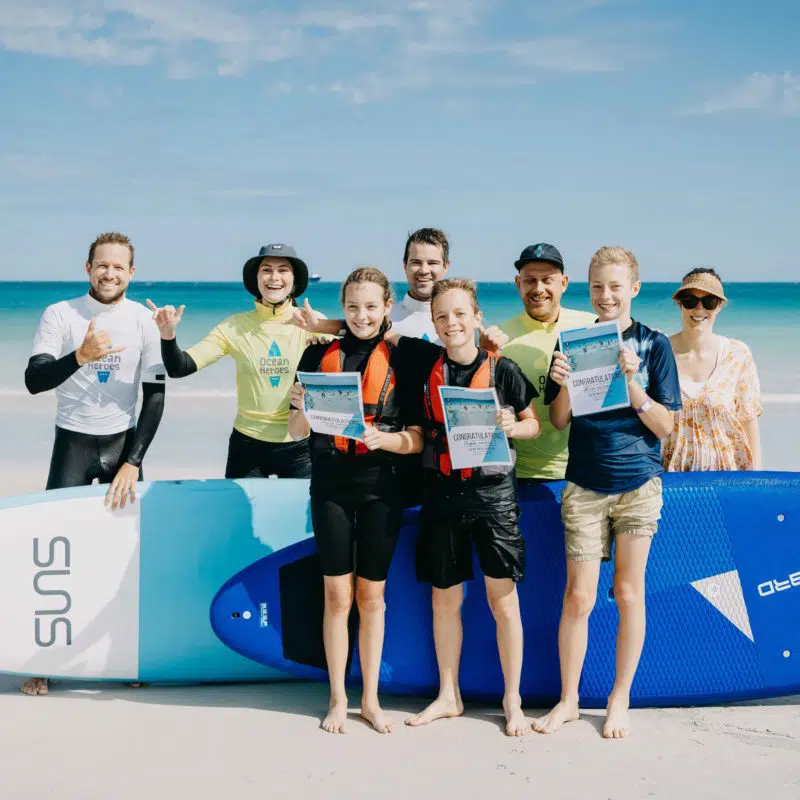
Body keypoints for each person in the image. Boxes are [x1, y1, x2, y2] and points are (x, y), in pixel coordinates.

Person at [536, 246, 681, 739]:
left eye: (616, 286)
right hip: (584, 483)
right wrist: (559, 383)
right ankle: (569, 700)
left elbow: (665, 426)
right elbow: (558, 421)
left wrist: (632, 383)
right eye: (598, 286)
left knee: (627, 592)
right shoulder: (573, 340)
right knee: (578, 598)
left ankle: (620, 699)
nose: (607, 294)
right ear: (588, 288)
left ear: (634, 289)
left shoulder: (655, 344)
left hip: (639, 483)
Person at [388, 279, 541, 737]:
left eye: (460, 314)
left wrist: (513, 427)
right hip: (441, 496)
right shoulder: (422, 364)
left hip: (493, 496)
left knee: (503, 601)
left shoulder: (504, 369)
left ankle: (512, 699)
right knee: (444, 599)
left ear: (477, 318)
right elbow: (379, 329)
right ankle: (448, 694)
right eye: (441, 316)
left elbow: (534, 425)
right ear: (432, 323)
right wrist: (320, 325)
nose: (451, 323)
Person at [23, 231, 166, 696]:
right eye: (102, 265)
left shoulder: (144, 320)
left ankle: (127, 655)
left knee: (126, 557)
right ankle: (44, 661)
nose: (110, 273)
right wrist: (79, 356)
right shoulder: (60, 315)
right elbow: (34, 380)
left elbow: (156, 393)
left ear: (132, 272)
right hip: (74, 444)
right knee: (58, 555)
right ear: (88, 268)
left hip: (122, 445)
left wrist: (133, 461)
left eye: (119, 266)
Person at [288, 267, 423, 735]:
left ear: (388, 307)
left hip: (381, 487)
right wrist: (300, 404)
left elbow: (419, 439)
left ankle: (370, 699)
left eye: (371, 307)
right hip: (329, 486)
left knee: (372, 596)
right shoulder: (316, 353)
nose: (361, 316)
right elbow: (296, 432)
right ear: (342, 308)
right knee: (336, 595)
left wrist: (385, 440)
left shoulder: (404, 357)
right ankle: (337, 698)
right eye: (351, 307)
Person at [149, 244, 328, 478]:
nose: (274, 277)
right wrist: (168, 335)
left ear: (295, 281)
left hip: (300, 446)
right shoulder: (234, 327)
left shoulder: (313, 324)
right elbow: (179, 367)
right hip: (247, 446)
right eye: (266, 270)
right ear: (256, 279)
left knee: (304, 515)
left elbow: (355, 357)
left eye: (283, 270)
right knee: (241, 516)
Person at [499, 243, 595, 482]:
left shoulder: (592, 326)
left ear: (563, 283)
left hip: (582, 469)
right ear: (517, 283)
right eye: (530, 280)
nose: (538, 288)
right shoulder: (500, 337)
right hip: (517, 471)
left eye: (547, 280)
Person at [663, 268, 763, 471]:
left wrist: (756, 480)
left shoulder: (737, 354)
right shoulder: (660, 352)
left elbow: (748, 421)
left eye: (709, 301)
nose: (699, 309)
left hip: (730, 478)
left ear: (719, 307)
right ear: (679, 304)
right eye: (690, 300)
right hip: (674, 479)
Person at [390, 228, 451, 343]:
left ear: (446, 267)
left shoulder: (461, 322)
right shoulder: (384, 319)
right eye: (416, 262)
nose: (424, 270)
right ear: (405, 266)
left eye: (432, 263)